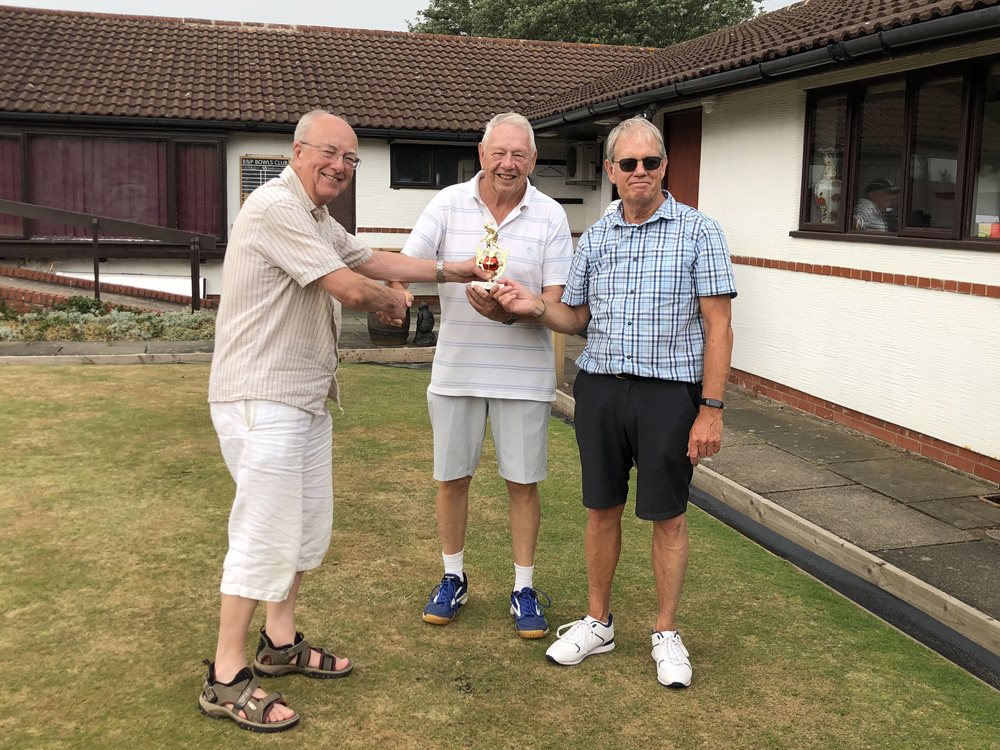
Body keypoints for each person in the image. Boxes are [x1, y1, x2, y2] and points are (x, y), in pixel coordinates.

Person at [201, 109, 486, 733]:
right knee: (263, 531)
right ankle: (225, 677)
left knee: (303, 530)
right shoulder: (276, 207)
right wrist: (393, 303)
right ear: (298, 151)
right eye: (331, 153)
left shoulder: (317, 218)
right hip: (261, 396)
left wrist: (454, 271)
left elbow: (376, 260)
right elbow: (354, 288)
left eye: (351, 159)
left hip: (303, 397)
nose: (340, 166)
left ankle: (278, 645)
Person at [492, 116, 737, 688]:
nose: (640, 172)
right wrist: (529, 306)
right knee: (601, 509)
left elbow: (719, 327)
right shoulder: (597, 237)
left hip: (668, 395)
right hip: (600, 389)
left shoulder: (700, 232)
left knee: (668, 517)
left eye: (650, 162)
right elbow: (574, 317)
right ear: (611, 171)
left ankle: (666, 633)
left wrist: (712, 407)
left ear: (664, 166)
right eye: (628, 164)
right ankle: (598, 622)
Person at [388, 112, 573, 638]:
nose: (508, 164)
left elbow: (556, 303)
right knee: (452, 479)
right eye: (499, 153)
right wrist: (427, 281)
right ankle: (453, 578)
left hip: (524, 374)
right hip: (457, 370)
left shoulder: (551, 215)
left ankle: (523, 587)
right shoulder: (448, 202)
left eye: (519, 155)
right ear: (482, 153)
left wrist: (517, 309)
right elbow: (408, 265)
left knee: (523, 483)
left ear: (534, 160)